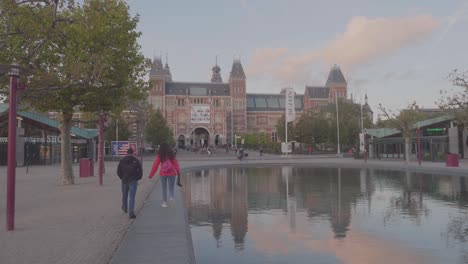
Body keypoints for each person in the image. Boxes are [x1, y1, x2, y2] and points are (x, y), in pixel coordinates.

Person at [148, 142, 182, 208]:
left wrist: (151, 175)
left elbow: (155, 165)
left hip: (163, 173)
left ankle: (164, 203)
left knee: (164, 188)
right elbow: (176, 165)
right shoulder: (172, 155)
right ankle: (171, 198)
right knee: (171, 188)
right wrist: (178, 173)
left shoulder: (160, 156)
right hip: (172, 173)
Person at [117, 148, 142, 219]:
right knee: (132, 197)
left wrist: (122, 177)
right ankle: (131, 212)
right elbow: (140, 170)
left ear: (127, 153)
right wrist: (138, 178)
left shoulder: (122, 160)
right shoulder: (136, 160)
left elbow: (118, 171)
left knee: (124, 195)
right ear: (133, 153)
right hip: (133, 181)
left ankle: (125, 207)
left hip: (124, 180)